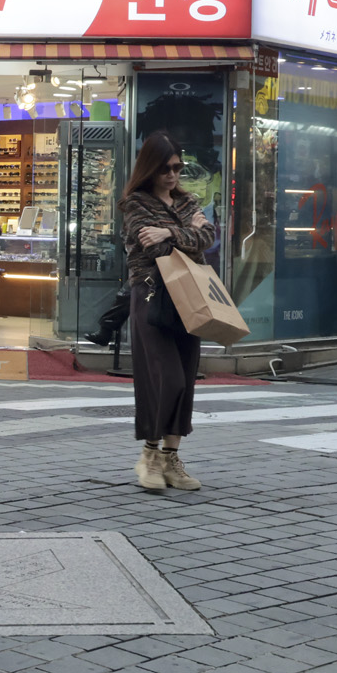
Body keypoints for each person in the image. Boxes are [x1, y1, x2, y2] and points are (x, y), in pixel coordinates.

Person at [119, 134, 215, 493]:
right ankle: (150, 454)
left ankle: (172, 457)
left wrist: (169, 232)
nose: (173, 175)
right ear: (150, 168)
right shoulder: (135, 204)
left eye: (177, 167)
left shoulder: (187, 200)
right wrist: (187, 232)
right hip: (152, 293)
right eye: (165, 169)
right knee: (165, 377)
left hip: (189, 294)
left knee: (186, 377)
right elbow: (153, 246)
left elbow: (208, 237)